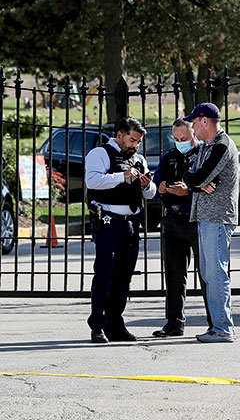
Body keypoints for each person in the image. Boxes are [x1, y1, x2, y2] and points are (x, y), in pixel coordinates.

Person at [85, 117, 157, 343]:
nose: (135, 145)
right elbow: (92, 181)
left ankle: (116, 324)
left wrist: (146, 185)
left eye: (138, 141)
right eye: (132, 139)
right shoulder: (100, 153)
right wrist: (122, 176)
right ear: (119, 135)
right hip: (108, 220)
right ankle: (97, 325)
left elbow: (151, 194)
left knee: (123, 276)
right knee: (104, 274)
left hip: (131, 222)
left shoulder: (138, 159)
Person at [181, 102, 240, 343]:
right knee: (209, 273)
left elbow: (199, 176)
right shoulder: (209, 146)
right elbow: (190, 172)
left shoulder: (222, 146)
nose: (193, 127)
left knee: (216, 273)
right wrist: (195, 180)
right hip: (206, 217)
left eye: (194, 122)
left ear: (205, 121)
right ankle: (218, 325)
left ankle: (223, 328)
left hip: (217, 217)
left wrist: (195, 180)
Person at [151, 118, 212, 337]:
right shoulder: (169, 156)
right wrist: (162, 187)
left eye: (184, 139)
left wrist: (188, 191)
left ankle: (215, 323)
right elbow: (156, 182)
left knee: (207, 274)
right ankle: (174, 323)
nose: (180, 143)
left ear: (194, 134)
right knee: (174, 275)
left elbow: (212, 187)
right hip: (172, 220)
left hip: (196, 219)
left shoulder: (205, 155)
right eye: (176, 139)